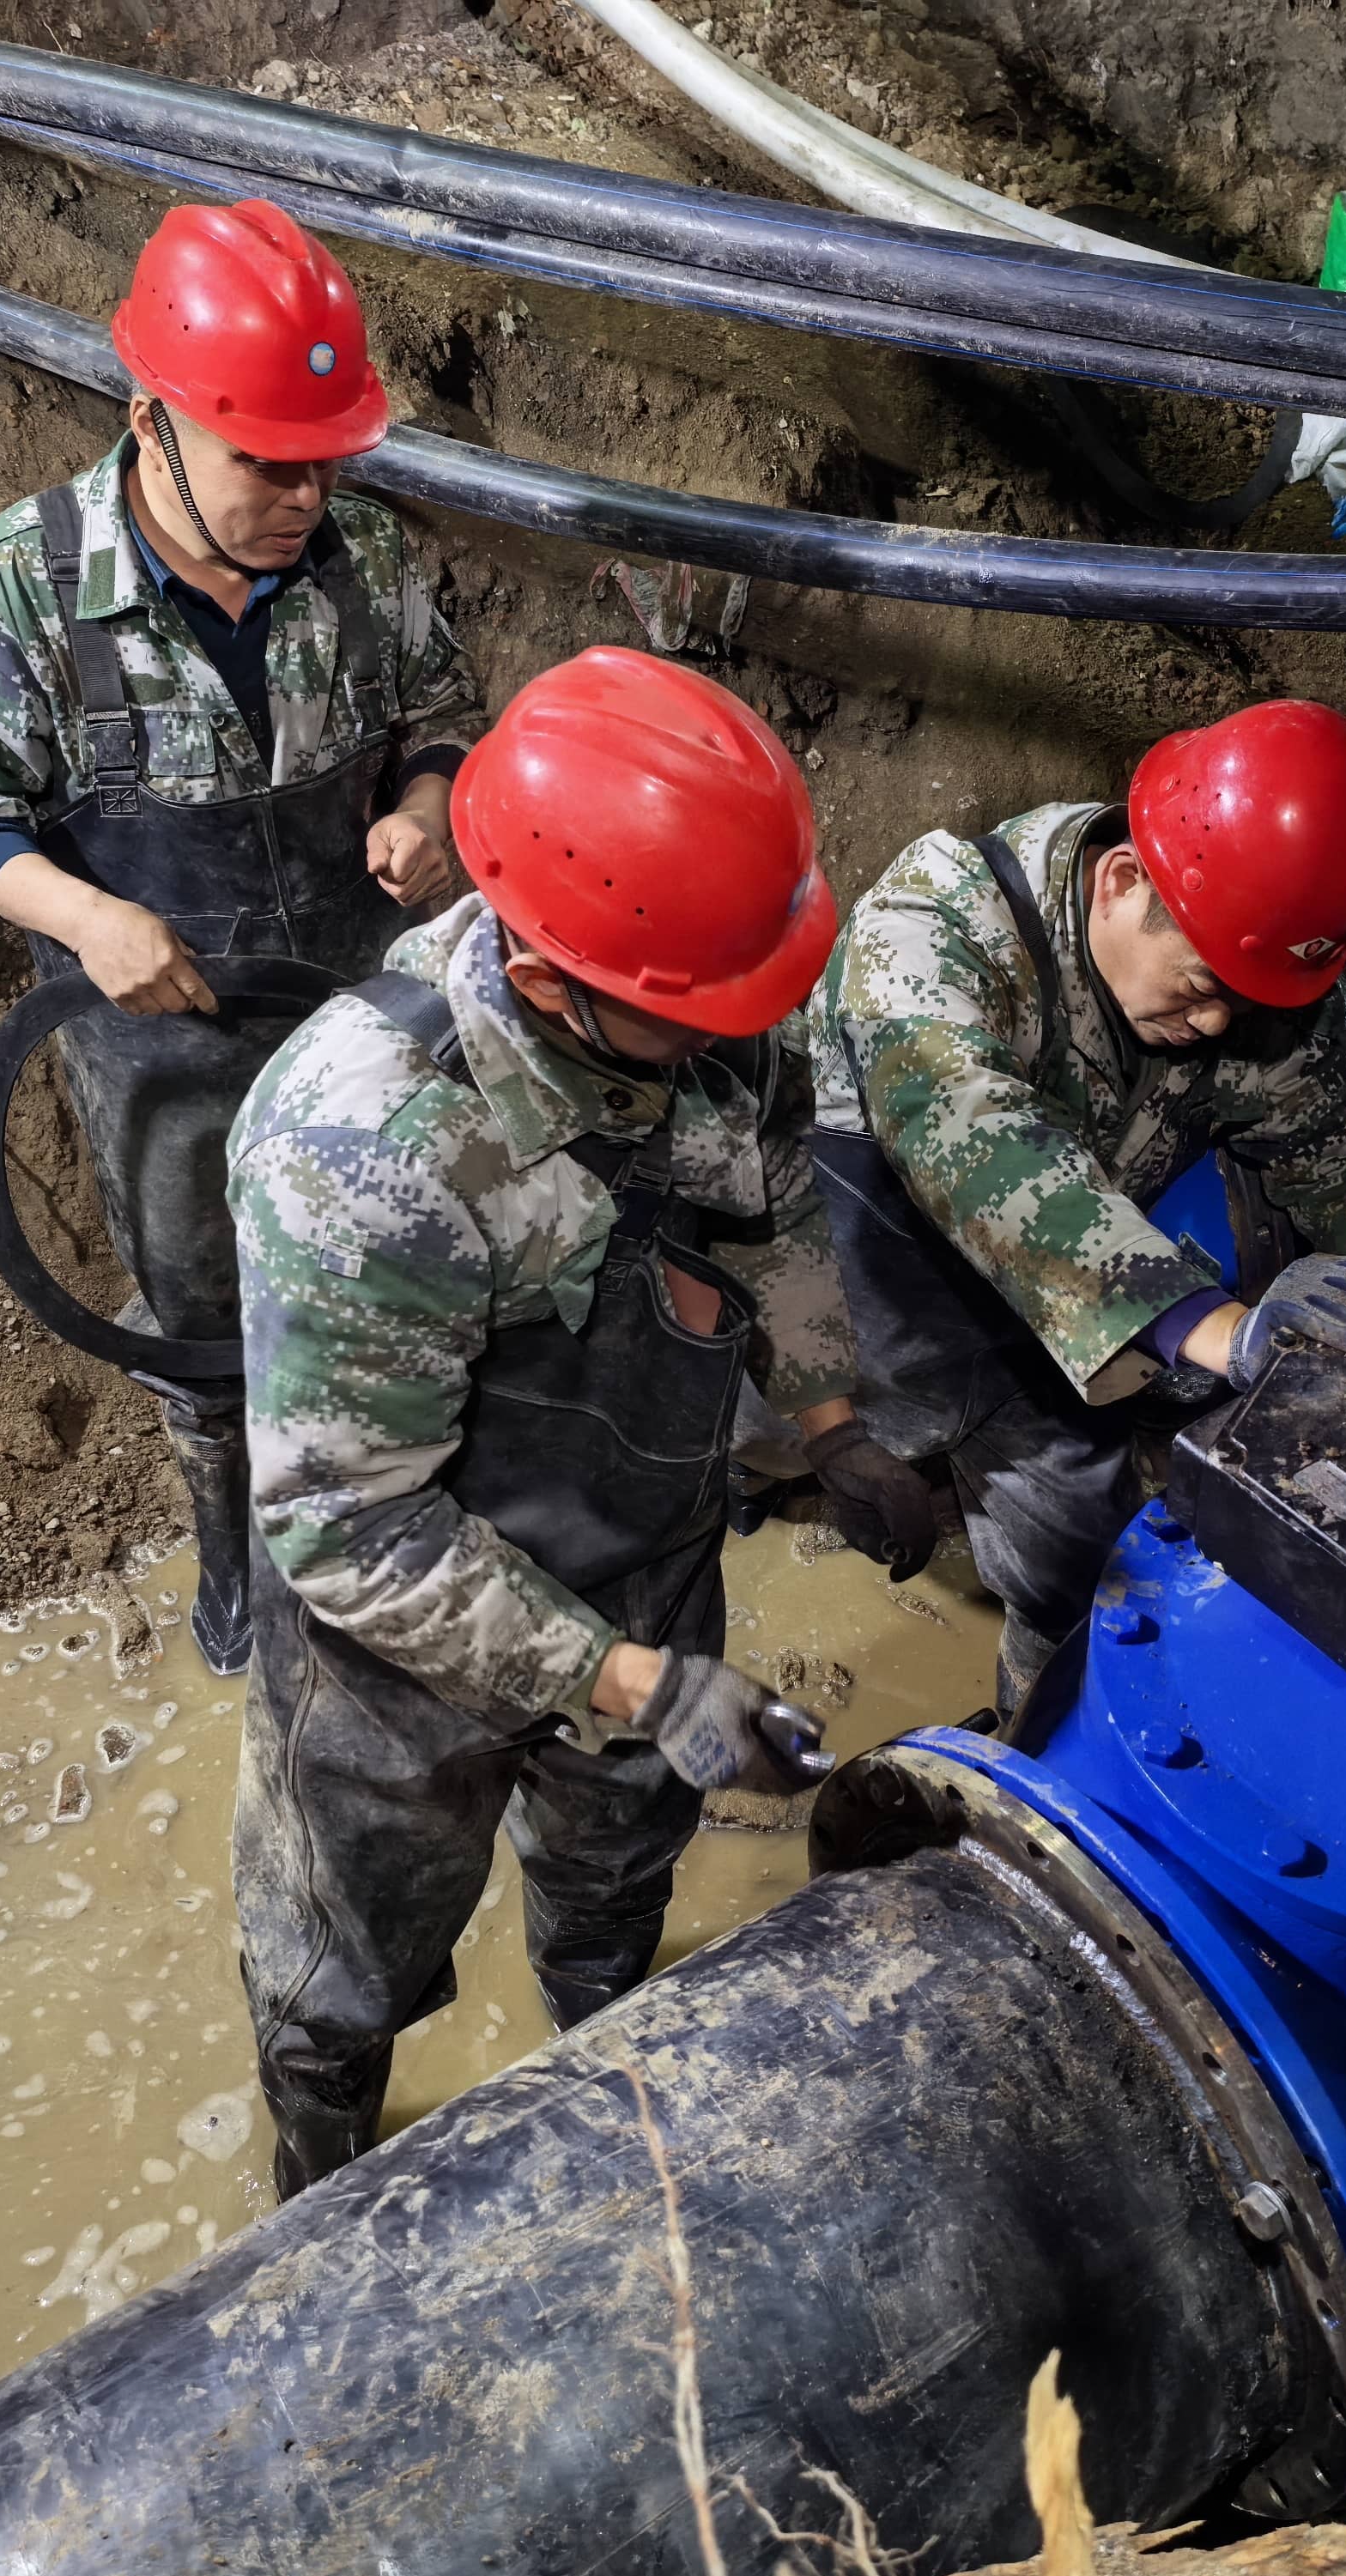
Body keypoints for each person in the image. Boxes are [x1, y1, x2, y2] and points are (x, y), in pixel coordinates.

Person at [225, 646, 935, 2194]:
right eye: (692, 1017)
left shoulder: (706, 991)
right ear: (551, 979)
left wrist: (829, 1418)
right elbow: (351, 1527)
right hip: (399, 1651)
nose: (734, 1037)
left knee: (618, 1877)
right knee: (344, 1961)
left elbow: (768, 1215)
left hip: (644, 1550)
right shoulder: (364, 1147)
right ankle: (320, 2166)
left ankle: (606, 2081)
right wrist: (633, 1682)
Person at [0, 199, 486, 1679]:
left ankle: (393, 1534)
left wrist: (424, 805)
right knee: (206, 1315)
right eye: (262, 462)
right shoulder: (12, 587)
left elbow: (445, 720)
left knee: (391, 1275)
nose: (300, 495)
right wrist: (86, 915)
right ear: (149, 422)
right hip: (155, 1026)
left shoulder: (369, 562)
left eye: (324, 461)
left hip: (359, 1005)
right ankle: (237, 1560)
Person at [809, 699, 1346, 1713]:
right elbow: (977, 1137)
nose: (1213, 1022)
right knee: (1060, 1546)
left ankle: (1050, 1672)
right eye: (1200, 984)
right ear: (1120, 880)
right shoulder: (931, 929)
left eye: (1244, 1002)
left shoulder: (1238, 974)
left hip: (1095, 1279)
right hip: (910, 1267)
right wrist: (1218, 1329)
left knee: (1088, 1540)